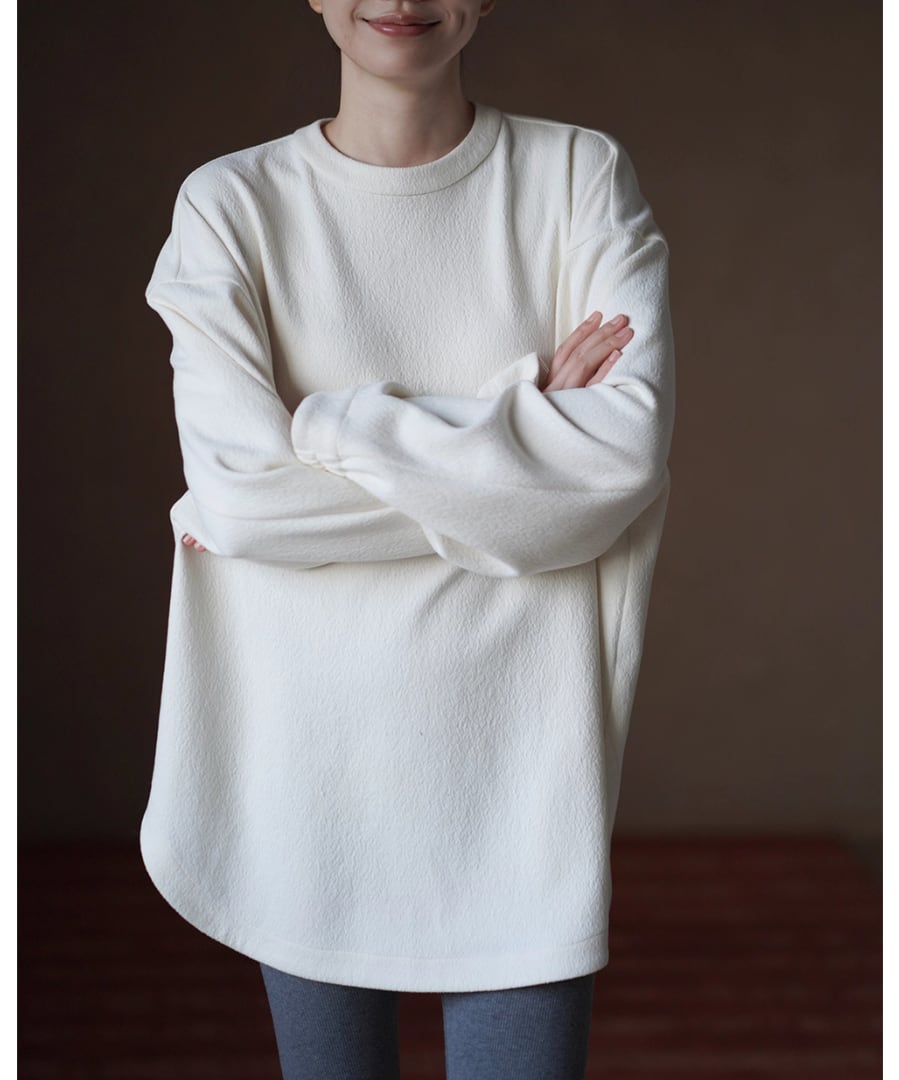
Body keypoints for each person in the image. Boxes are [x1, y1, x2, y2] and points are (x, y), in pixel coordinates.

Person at [140, 0, 675, 1076]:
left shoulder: (578, 176)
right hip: (305, 765)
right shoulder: (231, 203)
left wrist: (326, 427)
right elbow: (245, 497)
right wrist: (517, 431)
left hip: (522, 770)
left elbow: (613, 468)